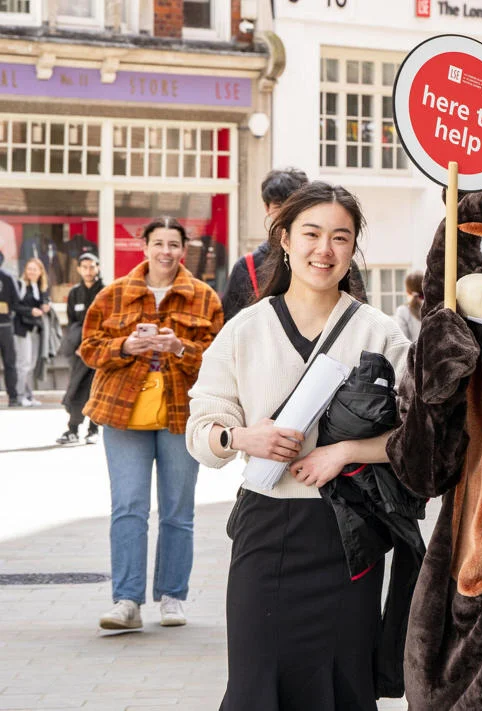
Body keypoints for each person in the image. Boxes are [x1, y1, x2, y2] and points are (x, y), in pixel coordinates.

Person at [186, 182, 410, 710]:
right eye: (311, 234)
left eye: (340, 237)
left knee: (342, 681)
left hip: (349, 532)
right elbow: (201, 430)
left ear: (353, 249)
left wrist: (347, 452)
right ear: (284, 239)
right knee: (256, 680)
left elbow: (427, 437)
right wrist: (243, 437)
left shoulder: (380, 333)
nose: (323, 250)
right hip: (265, 528)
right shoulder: (245, 328)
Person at [80, 217, 223, 632]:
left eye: (173, 244)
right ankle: (126, 600)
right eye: (157, 243)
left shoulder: (204, 297)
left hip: (181, 413)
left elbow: (218, 357)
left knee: (178, 512)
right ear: (143, 247)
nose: (165, 251)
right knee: (128, 508)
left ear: (184, 250)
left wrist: (180, 346)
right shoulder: (113, 294)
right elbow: (88, 348)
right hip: (122, 413)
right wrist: (125, 345)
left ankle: (173, 597)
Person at [221, 167, 368, 321]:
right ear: (267, 208)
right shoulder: (247, 267)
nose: (323, 251)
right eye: (279, 206)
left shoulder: (338, 263)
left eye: (339, 238)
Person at [57, 253, 104, 444]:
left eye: (92, 266)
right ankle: (73, 429)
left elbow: (108, 322)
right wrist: (78, 346)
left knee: (96, 390)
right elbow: (72, 323)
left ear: (98, 268)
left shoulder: (105, 291)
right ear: (79, 269)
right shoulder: (75, 292)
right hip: (79, 352)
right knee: (76, 388)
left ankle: (94, 430)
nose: (88, 271)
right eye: (84, 267)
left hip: (100, 350)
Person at [13, 257, 50, 407]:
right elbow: (15, 306)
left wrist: (46, 306)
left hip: (36, 329)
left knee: (32, 364)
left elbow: (45, 303)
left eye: (35, 269)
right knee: (24, 364)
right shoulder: (20, 285)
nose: (32, 272)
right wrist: (30, 311)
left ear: (41, 271)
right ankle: (20, 395)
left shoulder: (41, 288)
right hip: (22, 329)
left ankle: (29, 395)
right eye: (29, 269)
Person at [0, 252, 18, 407]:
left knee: (10, 363)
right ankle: (13, 397)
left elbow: (15, 302)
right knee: (10, 363)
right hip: (5, 325)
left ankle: (13, 396)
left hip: (5, 325)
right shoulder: (8, 276)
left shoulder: (7, 277)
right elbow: (16, 301)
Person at [393, 269, 423, 340]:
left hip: (413, 350)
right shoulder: (436, 307)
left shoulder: (402, 311)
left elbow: (403, 341)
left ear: (407, 291)